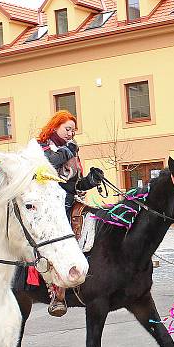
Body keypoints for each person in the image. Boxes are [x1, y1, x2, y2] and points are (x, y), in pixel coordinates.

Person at [37, 110, 104, 316]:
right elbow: (50, 162)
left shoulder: (70, 150)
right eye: (68, 129)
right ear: (55, 126)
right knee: (62, 239)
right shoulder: (43, 146)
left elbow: (74, 184)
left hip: (70, 200)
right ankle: (58, 294)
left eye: (73, 131)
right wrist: (69, 150)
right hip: (50, 203)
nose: (71, 134)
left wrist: (91, 181)